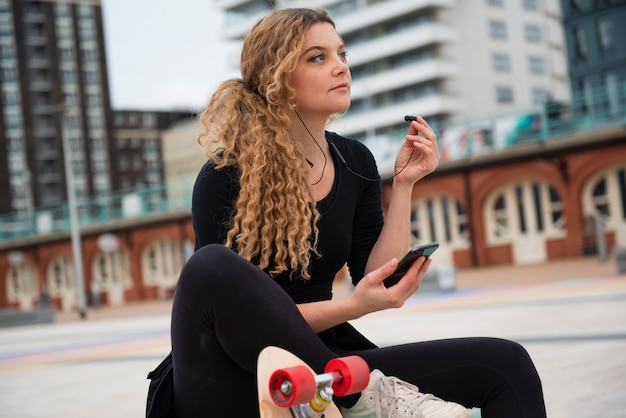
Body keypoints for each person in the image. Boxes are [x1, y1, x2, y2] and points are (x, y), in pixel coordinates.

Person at [169, 7, 547, 418]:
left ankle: (361, 394)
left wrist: (403, 185)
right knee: (208, 267)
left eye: (342, 54)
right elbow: (241, 325)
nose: (341, 67)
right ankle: (362, 398)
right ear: (276, 78)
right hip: (232, 373)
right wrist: (353, 307)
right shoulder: (224, 175)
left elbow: (376, 273)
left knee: (506, 365)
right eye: (318, 57)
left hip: (326, 362)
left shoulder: (355, 161)